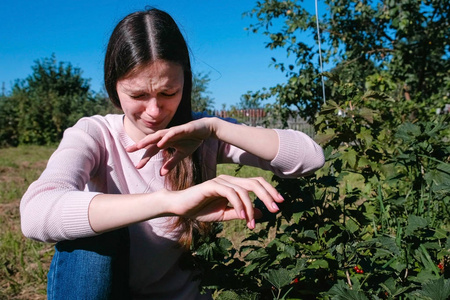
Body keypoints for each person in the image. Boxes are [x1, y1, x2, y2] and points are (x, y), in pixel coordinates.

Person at [20, 8, 325, 300]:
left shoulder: (201, 133)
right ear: (114, 87)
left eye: (169, 93)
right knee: (90, 240)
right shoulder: (95, 134)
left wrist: (217, 128)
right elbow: (36, 214)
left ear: (184, 82)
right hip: (109, 292)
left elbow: (310, 158)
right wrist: (170, 202)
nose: (154, 111)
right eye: (138, 95)